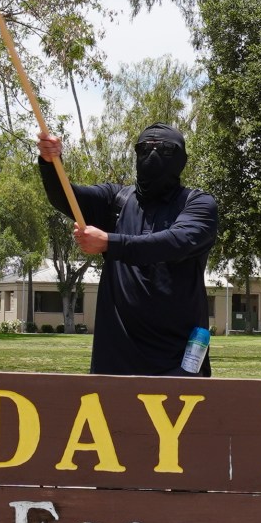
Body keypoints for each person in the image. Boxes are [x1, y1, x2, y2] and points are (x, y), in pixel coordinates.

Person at [36, 126, 217, 377]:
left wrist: (110, 243)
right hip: (115, 359)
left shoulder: (198, 204)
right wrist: (49, 162)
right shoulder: (116, 200)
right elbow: (66, 197)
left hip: (178, 361)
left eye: (164, 149)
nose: (152, 155)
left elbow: (175, 242)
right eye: (144, 148)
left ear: (180, 159)